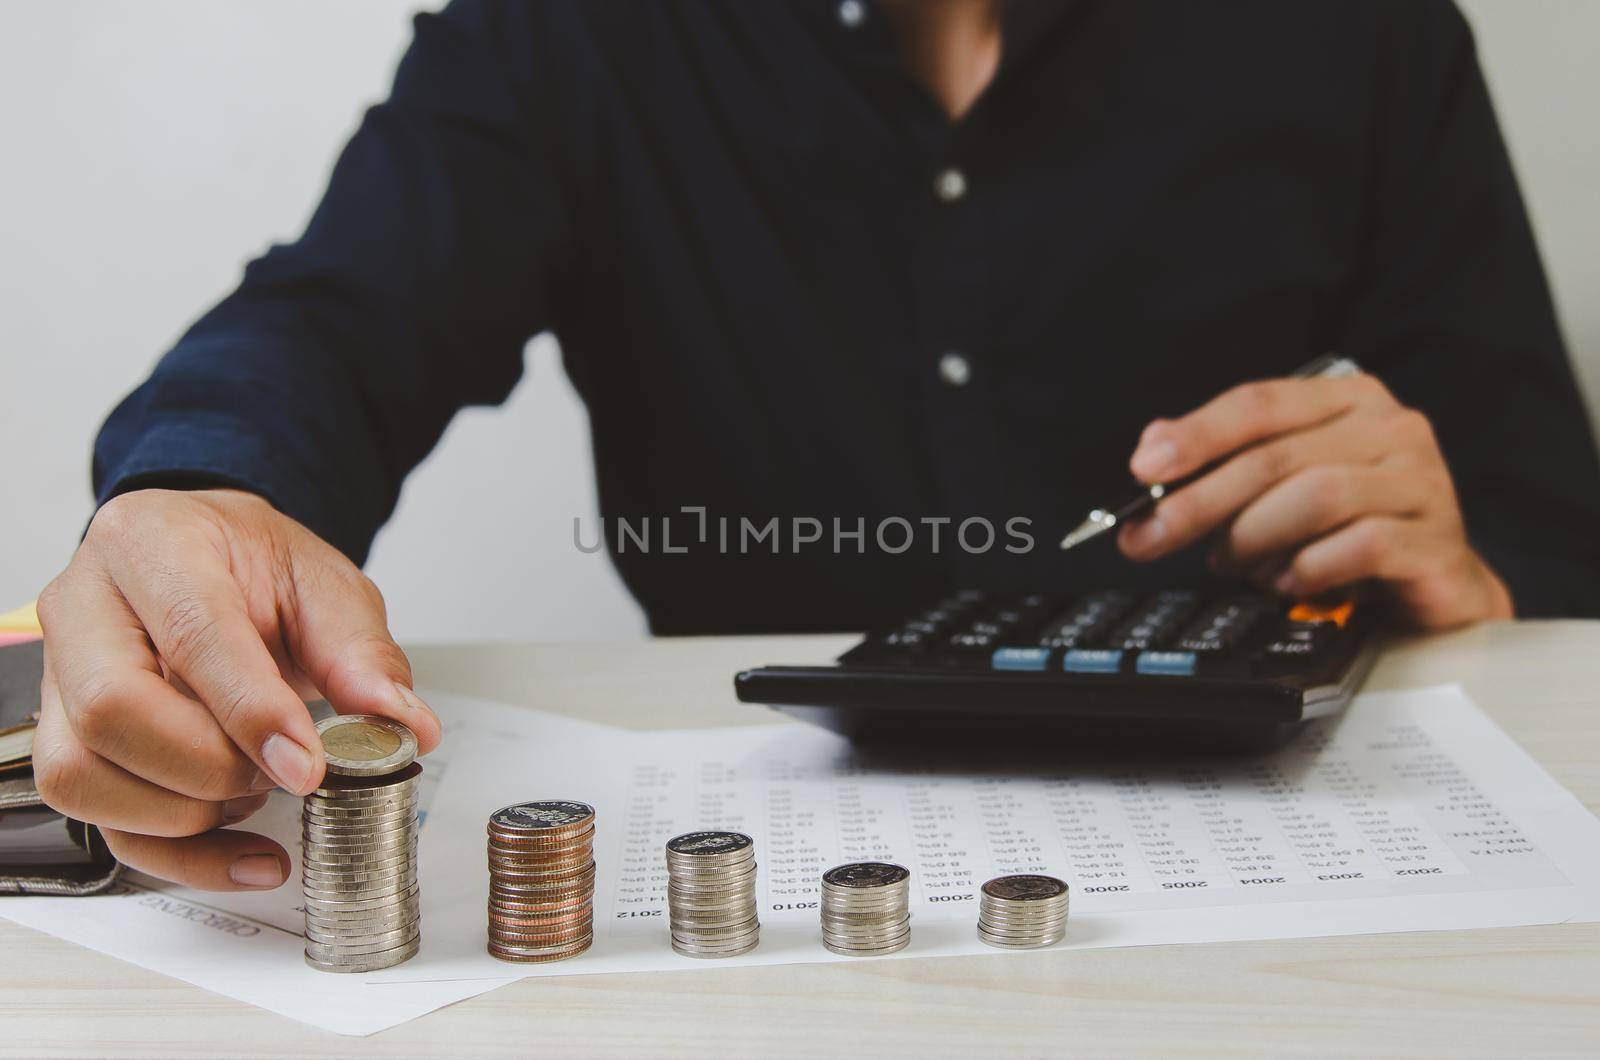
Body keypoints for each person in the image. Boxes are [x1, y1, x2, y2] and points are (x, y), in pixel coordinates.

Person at [31, 0, 1600, 892]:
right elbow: (335, 316)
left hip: (1315, 860)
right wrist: (195, 493)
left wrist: (1476, 570)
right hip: (766, 887)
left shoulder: (1364, 34)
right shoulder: (567, 36)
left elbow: (1549, 541)